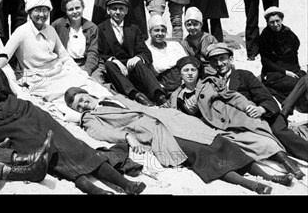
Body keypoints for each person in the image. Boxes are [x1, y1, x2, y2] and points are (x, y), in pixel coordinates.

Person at [0, 28, 146, 195]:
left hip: (25, 111)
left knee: (71, 144)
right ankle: (95, 190)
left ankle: (125, 184)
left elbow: (12, 94)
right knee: (48, 153)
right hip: (0, 125)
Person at [67, 85, 294, 194]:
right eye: (79, 106)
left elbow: (140, 105)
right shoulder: (89, 118)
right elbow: (100, 133)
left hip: (168, 118)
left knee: (219, 141)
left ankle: (271, 176)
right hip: (151, 131)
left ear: (88, 93)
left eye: (83, 99)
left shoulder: (112, 96)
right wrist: (125, 135)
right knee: (200, 154)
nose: (84, 104)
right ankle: (251, 184)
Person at [171, 55, 304, 180]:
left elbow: (233, 96)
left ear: (197, 71)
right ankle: (268, 177)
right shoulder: (176, 97)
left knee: (262, 140)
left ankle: (289, 164)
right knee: (233, 149)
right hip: (211, 129)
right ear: (180, 74)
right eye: (186, 70)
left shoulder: (209, 83)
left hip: (229, 118)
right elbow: (177, 117)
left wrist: (247, 106)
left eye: (193, 70)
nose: (189, 73)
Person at [2, 0, 113, 122]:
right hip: (38, 77)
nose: (42, 15)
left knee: (87, 84)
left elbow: (63, 55)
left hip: (59, 71)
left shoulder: (50, 29)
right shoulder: (21, 31)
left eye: (45, 10)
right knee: (64, 99)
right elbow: (4, 57)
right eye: (37, 10)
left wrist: (79, 71)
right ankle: (87, 118)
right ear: (29, 12)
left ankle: (109, 108)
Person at [206, 42, 308, 173]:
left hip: (265, 116)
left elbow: (267, 99)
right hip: (240, 123)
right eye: (214, 60)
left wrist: (261, 109)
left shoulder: (244, 76)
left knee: (279, 132)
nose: (219, 63)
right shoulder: (209, 82)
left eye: (222, 59)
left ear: (231, 59)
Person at [96, 0, 169, 107]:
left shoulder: (133, 28)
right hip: (115, 71)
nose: (118, 12)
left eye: (121, 9)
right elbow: (99, 53)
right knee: (109, 64)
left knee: (139, 63)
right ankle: (138, 97)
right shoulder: (101, 28)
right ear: (108, 11)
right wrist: (114, 60)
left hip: (132, 68)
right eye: (114, 9)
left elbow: (146, 53)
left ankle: (160, 96)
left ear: (126, 11)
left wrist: (137, 57)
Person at [257, 6, 307, 117]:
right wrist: (285, 72)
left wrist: (296, 71)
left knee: (303, 79)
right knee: (298, 83)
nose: (275, 25)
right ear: (267, 23)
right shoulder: (264, 37)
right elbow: (267, 63)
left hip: (292, 69)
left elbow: (294, 55)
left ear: (281, 20)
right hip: (275, 73)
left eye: (277, 21)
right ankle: (287, 106)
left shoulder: (288, 33)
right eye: (271, 22)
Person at [51, 0, 102, 82]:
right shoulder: (58, 25)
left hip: (87, 64)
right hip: (65, 65)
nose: (75, 12)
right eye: (70, 9)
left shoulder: (92, 27)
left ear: (83, 7)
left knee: (95, 84)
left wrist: (87, 71)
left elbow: (92, 53)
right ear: (65, 11)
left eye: (77, 8)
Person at [145, 14, 187, 94]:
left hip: (181, 83)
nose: (160, 33)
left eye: (163, 30)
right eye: (156, 30)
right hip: (163, 86)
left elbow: (186, 63)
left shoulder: (175, 45)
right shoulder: (146, 49)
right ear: (150, 31)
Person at [180, 6, 218, 76]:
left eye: (195, 24)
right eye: (188, 25)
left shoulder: (209, 39)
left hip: (212, 70)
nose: (192, 27)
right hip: (195, 72)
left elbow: (217, 57)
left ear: (201, 25)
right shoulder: (184, 43)